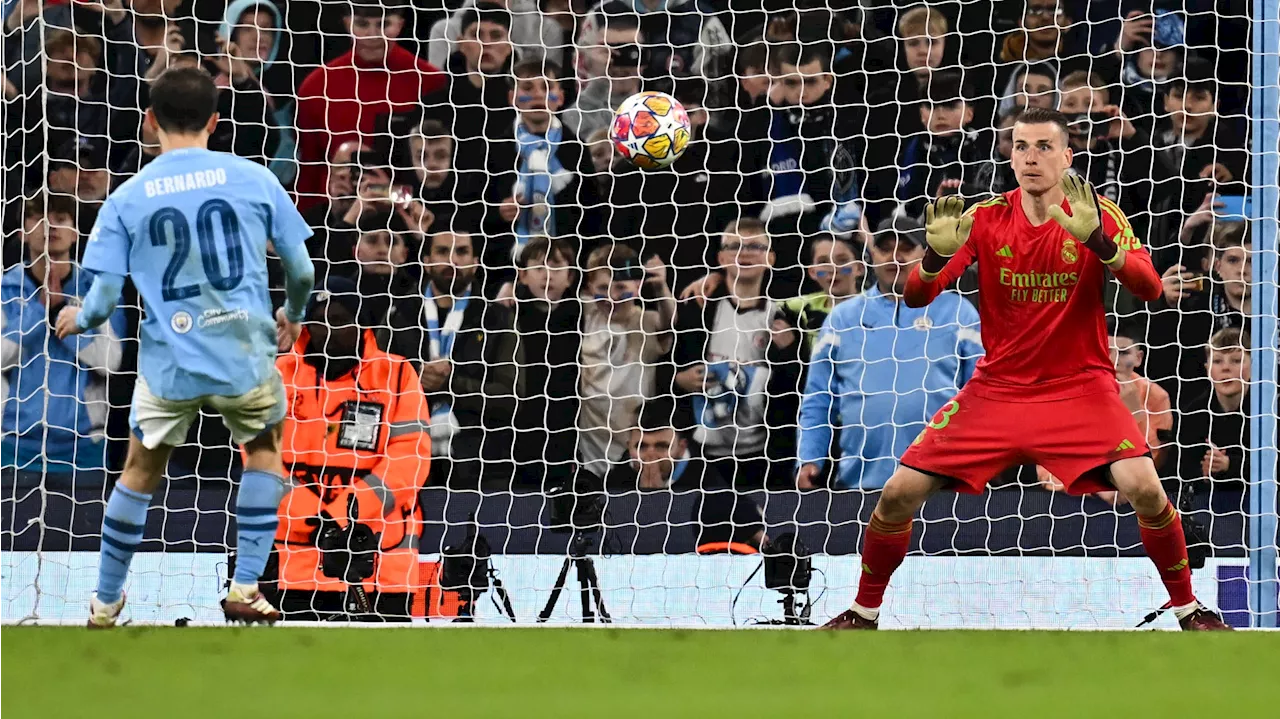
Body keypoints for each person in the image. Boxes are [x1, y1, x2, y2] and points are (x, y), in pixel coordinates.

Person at [820, 107, 1230, 631]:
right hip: (998, 391)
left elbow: (1151, 289)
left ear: (1067, 156)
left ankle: (1189, 609)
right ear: (1009, 155)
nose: (1030, 157)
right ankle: (863, 611)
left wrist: (1098, 243)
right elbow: (920, 296)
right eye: (1020, 146)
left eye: (1042, 146)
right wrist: (930, 258)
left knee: (1147, 489)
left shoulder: (1098, 213)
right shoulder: (986, 217)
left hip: (1080, 388)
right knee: (897, 494)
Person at [57, 67, 317, 627]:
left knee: (139, 472)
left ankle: (105, 602)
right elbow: (302, 270)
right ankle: (245, 585)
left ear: (149, 121)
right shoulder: (253, 178)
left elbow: (103, 300)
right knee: (264, 451)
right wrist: (292, 316)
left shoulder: (127, 197)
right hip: (244, 354)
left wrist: (79, 317)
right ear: (216, 122)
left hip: (169, 360)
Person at [271, 277, 431, 621]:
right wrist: (311, 516)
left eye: (341, 319)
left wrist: (344, 514)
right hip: (293, 554)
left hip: (380, 556)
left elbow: (410, 456)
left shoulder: (398, 373)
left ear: (362, 324)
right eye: (320, 321)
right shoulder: (277, 374)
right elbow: (258, 457)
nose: (329, 330)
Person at [796, 217, 981, 491]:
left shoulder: (958, 312)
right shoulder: (841, 319)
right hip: (860, 485)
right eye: (885, 248)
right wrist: (810, 458)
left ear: (925, 254)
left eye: (906, 247)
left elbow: (981, 395)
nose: (895, 256)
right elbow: (818, 399)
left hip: (943, 485)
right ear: (872, 255)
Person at [672, 219, 802, 488]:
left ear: (770, 258)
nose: (744, 253)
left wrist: (789, 351)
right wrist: (678, 380)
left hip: (764, 459)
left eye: (755, 246)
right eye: (735, 246)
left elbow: (798, 391)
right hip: (703, 457)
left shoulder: (785, 318)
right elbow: (662, 366)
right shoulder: (697, 310)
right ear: (721, 258)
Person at [0, 194, 124, 472]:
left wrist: (60, 314)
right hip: (11, 445)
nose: (49, 227)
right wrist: (37, 313)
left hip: (84, 448)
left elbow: (110, 362)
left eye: (60, 219)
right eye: (39, 217)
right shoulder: (4, 289)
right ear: (20, 233)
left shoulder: (98, 290)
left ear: (75, 233)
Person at [388, 231, 521, 488]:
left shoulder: (497, 318)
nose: (452, 260)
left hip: (483, 468)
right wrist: (415, 377)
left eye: (461, 252)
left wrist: (451, 382)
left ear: (476, 261)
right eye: (442, 251)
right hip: (406, 463)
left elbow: (511, 397)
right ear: (426, 260)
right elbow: (375, 385)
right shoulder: (398, 314)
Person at [294, 0, 444, 210]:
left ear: (400, 24)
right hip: (336, 222)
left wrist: (389, 195)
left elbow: (441, 184)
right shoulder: (316, 87)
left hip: (412, 220)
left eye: (383, 24)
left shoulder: (431, 82)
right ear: (348, 24)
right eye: (363, 24)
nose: (373, 35)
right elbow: (309, 177)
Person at [1168, 327, 1250, 492]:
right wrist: (1203, 473)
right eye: (1218, 361)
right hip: (1208, 504)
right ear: (1207, 369)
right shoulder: (1193, 413)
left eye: (1236, 360)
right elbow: (1178, 469)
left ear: (1255, 365)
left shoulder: (1270, 411)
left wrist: (1230, 465)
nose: (1225, 368)